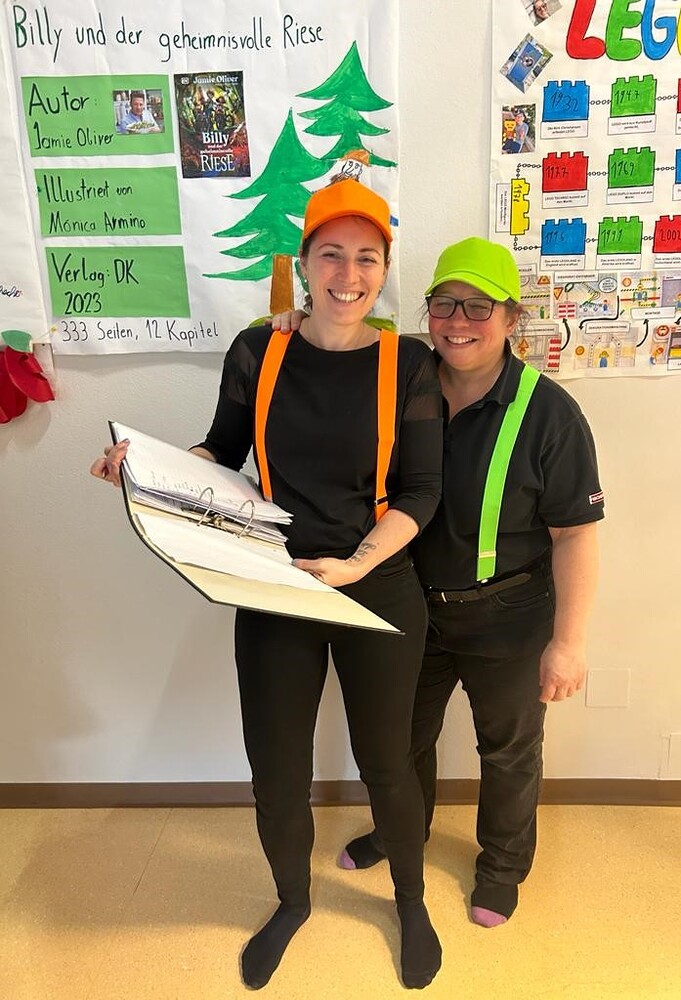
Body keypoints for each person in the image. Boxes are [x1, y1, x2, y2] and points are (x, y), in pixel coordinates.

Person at [90, 179, 443, 990]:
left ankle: (410, 900)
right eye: (331, 255)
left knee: (387, 763)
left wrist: (356, 564)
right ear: (305, 262)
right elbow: (220, 450)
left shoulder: (409, 363)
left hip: (375, 582)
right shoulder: (259, 350)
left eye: (366, 258)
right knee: (276, 769)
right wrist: (144, 465)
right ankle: (291, 901)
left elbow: (422, 491)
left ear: (383, 268)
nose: (348, 275)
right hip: (275, 584)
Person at [274, 236, 603, 930]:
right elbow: (332, 343)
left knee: (507, 750)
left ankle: (502, 867)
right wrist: (293, 319)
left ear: (511, 318)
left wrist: (568, 643)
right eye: (444, 304)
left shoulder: (549, 414)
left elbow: (575, 534)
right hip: (410, 607)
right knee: (397, 743)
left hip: (508, 612)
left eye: (478, 307)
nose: (458, 321)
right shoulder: (399, 374)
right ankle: (403, 833)